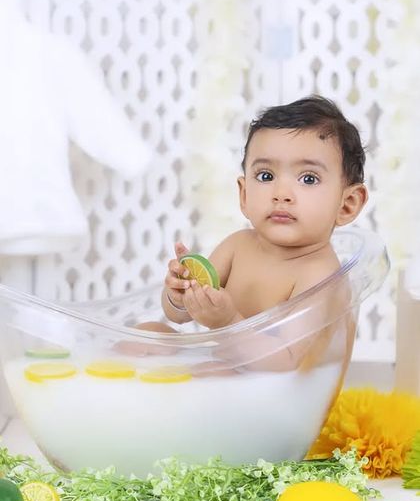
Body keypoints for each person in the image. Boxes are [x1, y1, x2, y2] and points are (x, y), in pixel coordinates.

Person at [136, 95, 368, 371]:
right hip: (232, 376)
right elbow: (177, 315)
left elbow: (283, 362)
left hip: (286, 397)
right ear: (244, 194)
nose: (281, 194)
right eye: (266, 176)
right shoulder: (237, 246)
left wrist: (228, 321)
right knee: (146, 335)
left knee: (211, 378)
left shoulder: (320, 275)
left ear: (347, 204)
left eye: (308, 179)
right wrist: (181, 294)